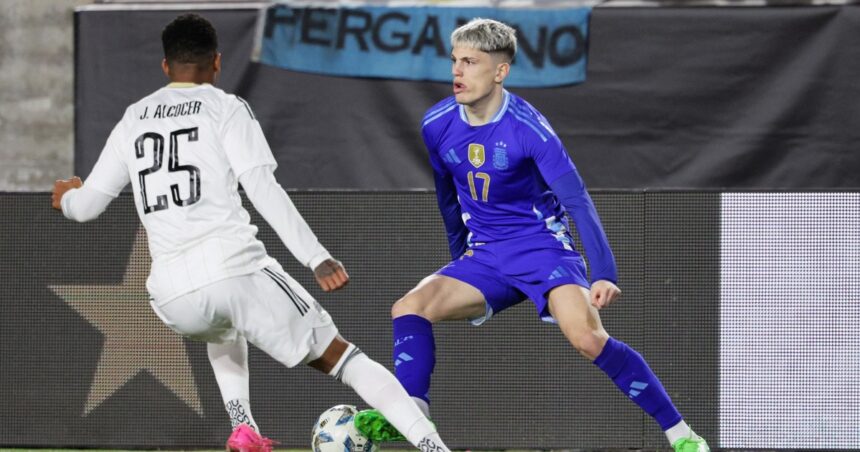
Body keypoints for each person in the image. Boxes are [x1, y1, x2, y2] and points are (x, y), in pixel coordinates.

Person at [52, 13, 450, 452]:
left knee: (222, 328)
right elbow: (262, 187)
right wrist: (315, 255)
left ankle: (244, 429)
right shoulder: (225, 108)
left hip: (171, 294)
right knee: (344, 358)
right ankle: (434, 448)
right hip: (232, 267)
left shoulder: (133, 118)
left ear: (165, 66)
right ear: (217, 63)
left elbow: (86, 208)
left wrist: (67, 197)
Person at [353, 18, 710, 452]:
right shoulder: (436, 123)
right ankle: (413, 410)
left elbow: (577, 200)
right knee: (409, 307)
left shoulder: (529, 129)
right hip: (486, 254)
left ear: (500, 72)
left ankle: (682, 435)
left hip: (542, 249)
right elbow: (447, 197)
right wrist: (460, 259)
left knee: (587, 339)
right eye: (454, 61)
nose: (457, 72)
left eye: (470, 62)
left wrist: (604, 272)